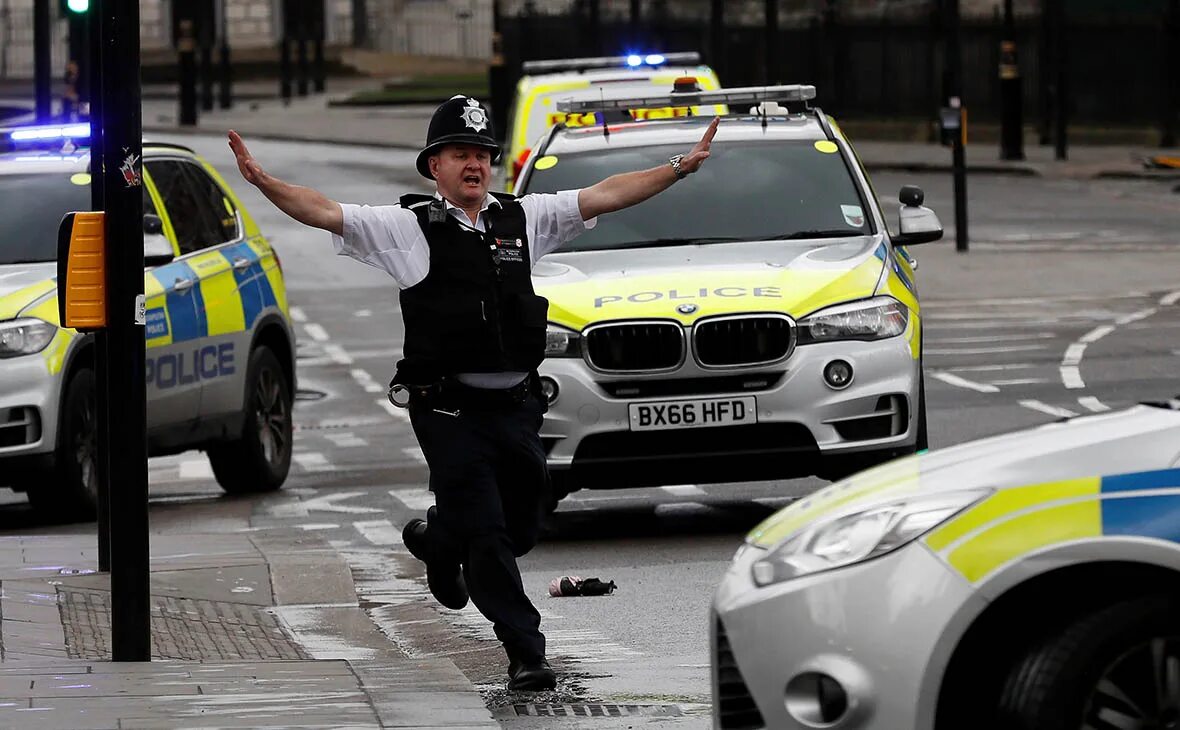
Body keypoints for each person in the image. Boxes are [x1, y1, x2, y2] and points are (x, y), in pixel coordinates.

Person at [227, 95, 718, 692]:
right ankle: (525, 651)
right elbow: (326, 211)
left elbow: (605, 194)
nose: (474, 165)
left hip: (516, 407)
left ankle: (439, 540)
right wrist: (263, 181)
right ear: (434, 166)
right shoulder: (409, 228)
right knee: (487, 535)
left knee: (525, 521)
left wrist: (677, 167)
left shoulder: (522, 217)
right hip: (448, 410)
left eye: (482, 155)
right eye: (459, 154)